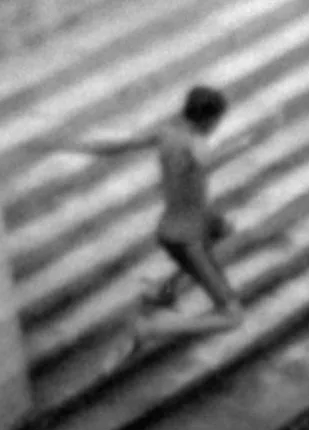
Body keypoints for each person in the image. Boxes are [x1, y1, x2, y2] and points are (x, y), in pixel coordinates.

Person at [49, 84, 243, 326]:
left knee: (223, 230)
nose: (217, 127)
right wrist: (236, 147)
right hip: (185, 234)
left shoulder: (165, 133)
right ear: (209, 120)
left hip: (189, 220)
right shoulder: (197, 144)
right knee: (232, 316)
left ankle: (166, 291)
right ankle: (153, 329)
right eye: (217, 121)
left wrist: (80, 146)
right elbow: (204, 158)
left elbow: (118, 146)